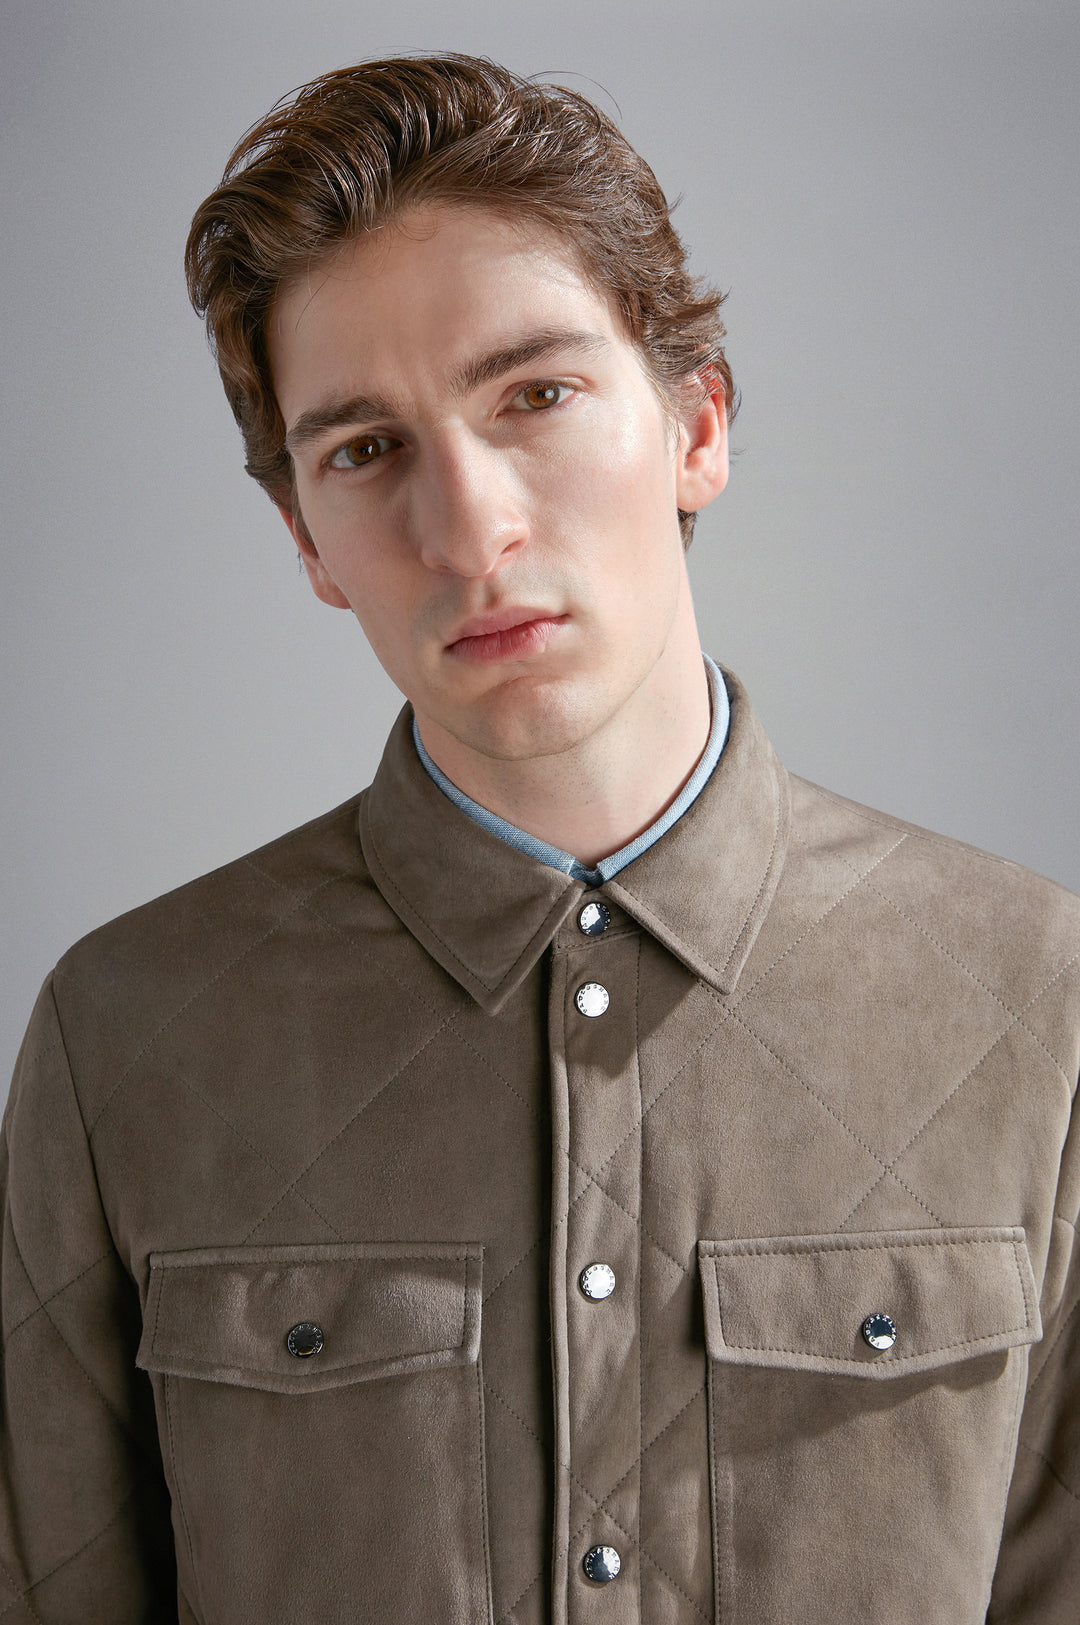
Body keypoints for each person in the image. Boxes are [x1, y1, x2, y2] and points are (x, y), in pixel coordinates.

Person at [2, 52, 1077, 1625]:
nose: (469, 528)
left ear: (699, 424)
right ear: (307, 540)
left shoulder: (1039, 1000)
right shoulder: (123, 1040)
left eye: (536, 395)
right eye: (366, 449)